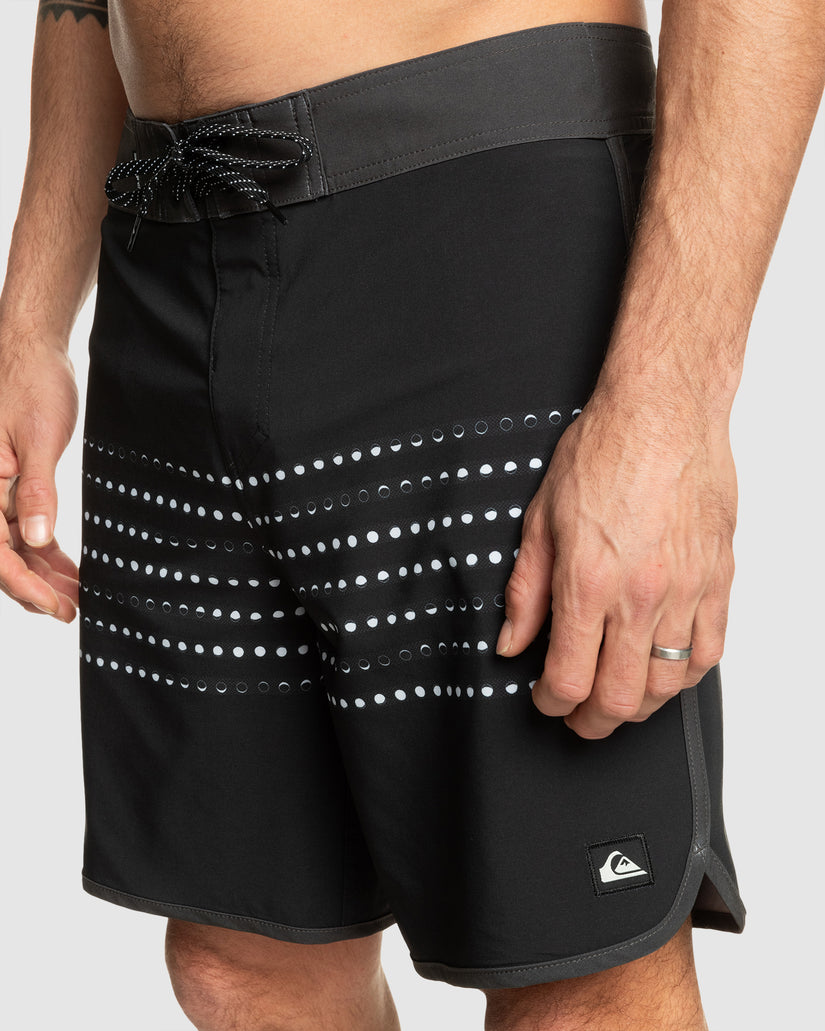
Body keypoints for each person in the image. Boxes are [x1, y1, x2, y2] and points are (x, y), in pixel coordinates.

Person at [0, 1, 822, 1028]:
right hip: (167, 254)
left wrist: (667, 416)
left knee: (575, 974)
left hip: (477, 226)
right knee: (246, 961)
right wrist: (29, 322)